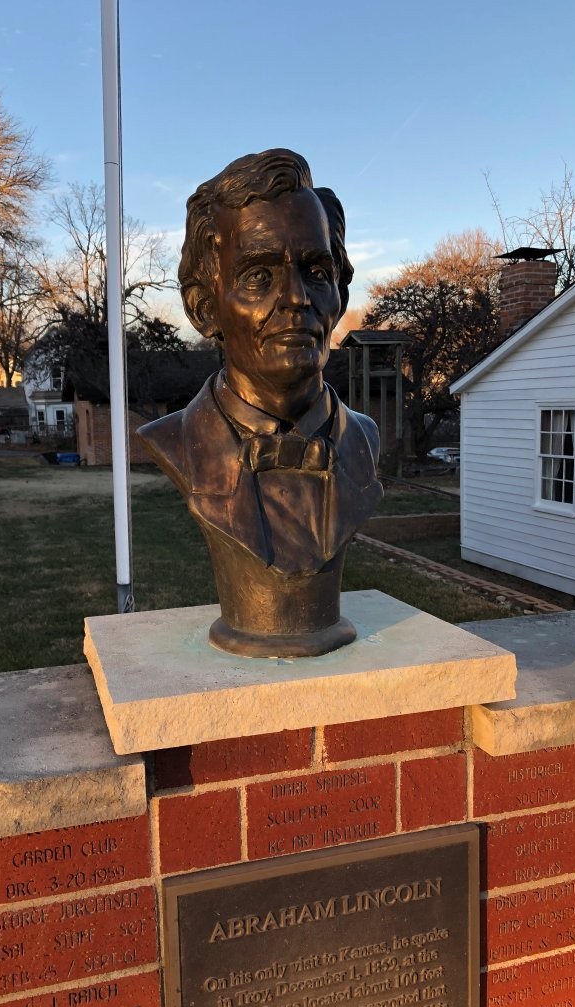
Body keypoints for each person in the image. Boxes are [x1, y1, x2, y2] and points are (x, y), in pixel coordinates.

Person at [137, 149, 382, 656]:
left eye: (316, 270)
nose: (296, 297)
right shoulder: (174, 443)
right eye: (258, 277)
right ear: (205, 307)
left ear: (340, 290)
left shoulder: (365, 439)